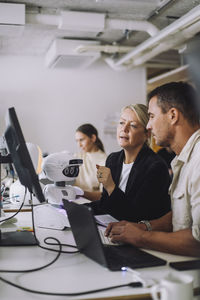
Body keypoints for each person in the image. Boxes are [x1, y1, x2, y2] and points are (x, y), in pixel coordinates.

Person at [105, 82, 200, 257]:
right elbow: (181, 217)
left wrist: (141, 236)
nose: (148, 126)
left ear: (172, 115)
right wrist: (143, 226)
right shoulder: (182, 159)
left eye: (151, 116)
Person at [88, 104, 171, 222]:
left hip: (138, 235)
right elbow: (105, 204)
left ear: (147, 134)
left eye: (132, 125)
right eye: (121, 123)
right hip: (111, 228)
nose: (124, 128)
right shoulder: (113, 159)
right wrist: (76, 209)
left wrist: (110, 186)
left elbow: (136, 216)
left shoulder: (156, 166)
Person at [74, 123, 107, 201]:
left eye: (81, 140)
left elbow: (103, 195)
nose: (79, 145)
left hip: (92, 207)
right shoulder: (77, 158)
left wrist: (80, 193)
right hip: (75, 203)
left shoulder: (105, 162)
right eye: (77, 141)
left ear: (93, 138)